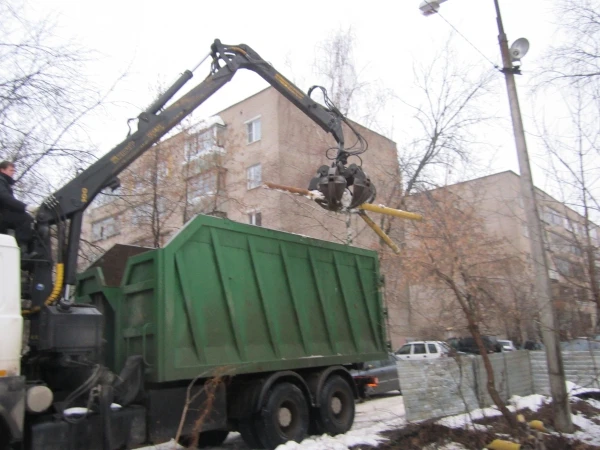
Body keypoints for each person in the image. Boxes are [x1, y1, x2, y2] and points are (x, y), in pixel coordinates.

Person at [0, 161, 34, 253]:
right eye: (11, 170)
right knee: (24, 218)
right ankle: (22, 252)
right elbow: (6, 198)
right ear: (2, 170)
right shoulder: (1, 181)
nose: (13, 172)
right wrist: (25, 207)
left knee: (27, 218)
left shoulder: (4, 183)